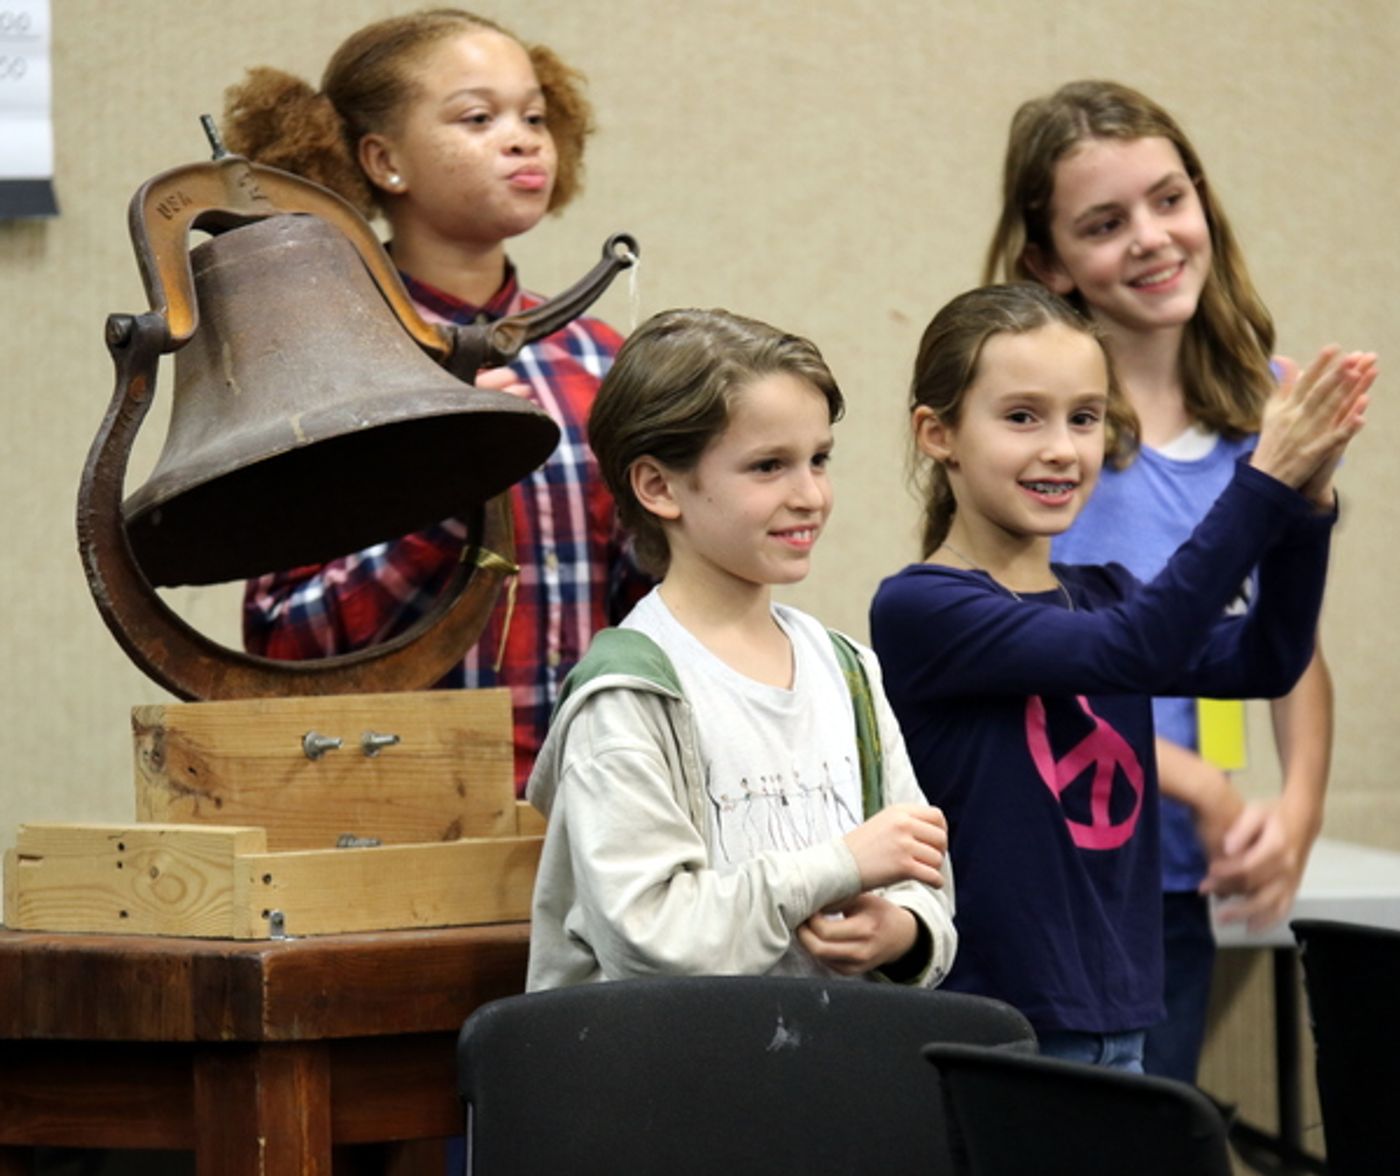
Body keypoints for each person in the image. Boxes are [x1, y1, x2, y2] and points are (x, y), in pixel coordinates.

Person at [870, 282, 1371, 1070]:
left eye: (1086, 416)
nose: (1063, 448)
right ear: (938, 434)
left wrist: (1305, 507)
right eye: (1022, 416)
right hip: (1002, 1024)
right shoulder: (924, 606)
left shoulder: (1104, 590)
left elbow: (1269, 659)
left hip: (1124, 1008)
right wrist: (1262, 484)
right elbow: (1131, 651)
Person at [981, 79, 1360, 1079]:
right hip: (1077, 874)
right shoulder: (1054, 443)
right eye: (1103, 224)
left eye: (1165, 199)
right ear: (1047, 264)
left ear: (1201, 201)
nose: (1148, 238)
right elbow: (1053, 659)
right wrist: (1191, 782)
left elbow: (1286, 637)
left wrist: (1297, 807)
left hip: (1183, 883)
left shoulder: (1265, 410)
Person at [223, 8, 648, 792]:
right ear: (383, 160)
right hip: (400, 814)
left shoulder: (599, 357)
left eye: (534, 117)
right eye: (478, 118)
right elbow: (284, 637)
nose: (522, 140)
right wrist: (451, 484)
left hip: (594, 813)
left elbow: (645, 613)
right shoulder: (324, 357)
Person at [526, 308, 958, 991]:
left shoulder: (846, 670)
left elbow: (920, 880)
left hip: (830, 1076)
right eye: (768, 467)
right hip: (674, 1087)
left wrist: (901, 932)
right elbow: (649, 936)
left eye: (819, 460)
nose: (810, 494)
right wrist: (838, 865)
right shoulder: (628, 693)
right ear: (658, 486)